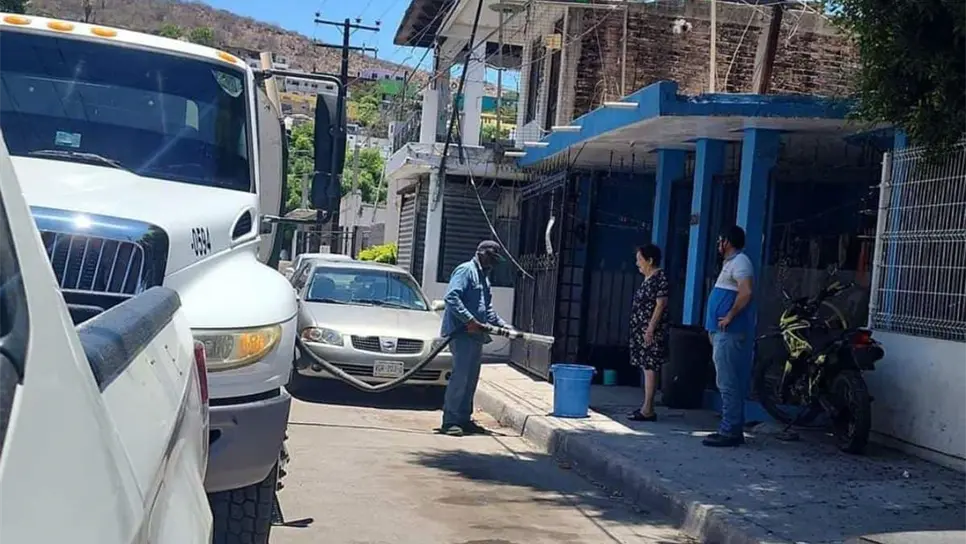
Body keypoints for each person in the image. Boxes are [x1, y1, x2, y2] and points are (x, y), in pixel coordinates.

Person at [438, 240, 513, 437]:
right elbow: (452, 298)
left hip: (476, 335)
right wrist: (469, 320)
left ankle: (464, 418)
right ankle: (450, 421)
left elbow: (487, 309)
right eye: (491, 258)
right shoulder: (465, 271)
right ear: (482, 254)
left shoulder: (484, 278)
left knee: (471, 379)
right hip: (461, 333)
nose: (493, 264)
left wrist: (504, 326)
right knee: (460, 377)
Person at [703, 226, 755, 448]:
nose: (718, 245)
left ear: (728, 241)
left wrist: (730, 316)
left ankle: (730, 430)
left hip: (729, 332)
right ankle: (732, 427)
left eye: (720, 240)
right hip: (721, 332)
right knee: (725, 381)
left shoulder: (741, 262)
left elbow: (746, 292)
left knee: (727, 382)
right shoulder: (730, 263)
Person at [627, 244, 670, 422]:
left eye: (640, 259)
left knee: (650, 367)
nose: (637, 263)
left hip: (650, 332)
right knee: (646, 367)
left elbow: (660, 304)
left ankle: (648, 409)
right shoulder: (648, 278)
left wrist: (651, 328)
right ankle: (646, 406)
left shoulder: (660, 278)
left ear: (650, 260)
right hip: (641, 331)